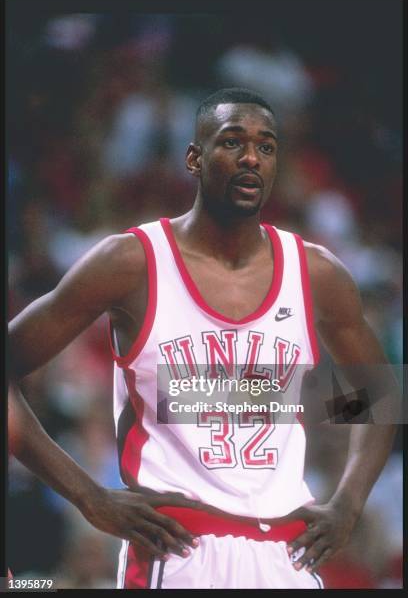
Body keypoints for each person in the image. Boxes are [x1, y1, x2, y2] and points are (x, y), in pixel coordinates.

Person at [9, 88, 396, 589]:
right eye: (233, 142)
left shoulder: (317, 273)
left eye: (267, 146)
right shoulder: (129, 263)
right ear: (194, 158)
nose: (252, 157)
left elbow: (377, 394)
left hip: (288, 555)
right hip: (178, 548)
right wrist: (89, 496)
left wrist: (347, 504)